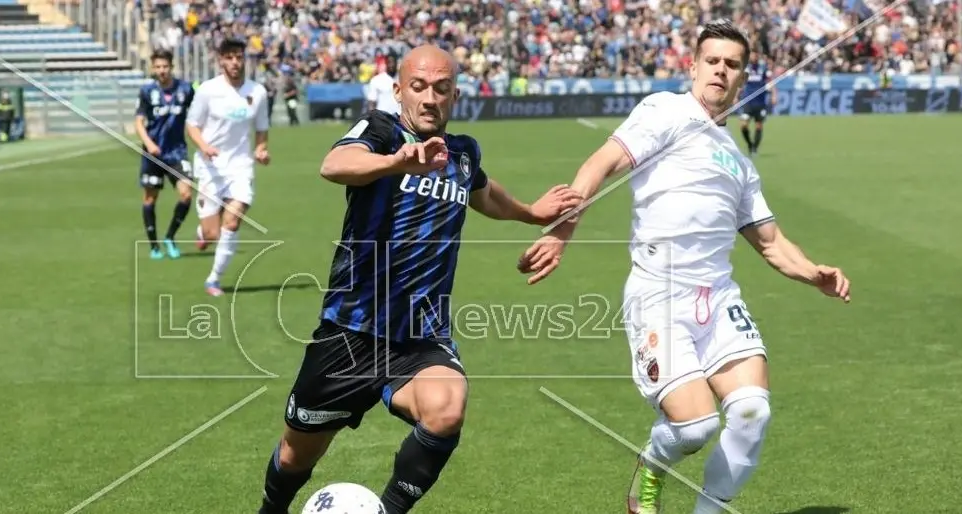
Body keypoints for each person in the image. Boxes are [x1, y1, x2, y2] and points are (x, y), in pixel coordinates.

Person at [516, 21, 851, 514]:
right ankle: (652, 464)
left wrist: (813, 273)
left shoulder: (739, 162)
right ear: (693, 66)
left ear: (742, 78)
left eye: (732, 64)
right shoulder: (665, 110)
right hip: (658, 295)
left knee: (752, 411)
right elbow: (601, 163)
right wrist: (564, 228)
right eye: (712, 60)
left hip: (717, 300)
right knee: (695, 428)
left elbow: (772, 242)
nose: (721, 70)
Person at [258, 45, 582, 514]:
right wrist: (398, 162)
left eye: (442, 89)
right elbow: (335, 165)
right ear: (399, 91)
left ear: (455, 95)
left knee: (447, 406)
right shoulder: (383, 130)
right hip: (351, 332)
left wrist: (533, 215)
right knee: (295, 454)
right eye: (419, 87)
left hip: (420, 335)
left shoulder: (463, 153)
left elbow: (484, 194)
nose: (430, 98)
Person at [186, 38, 270, 297]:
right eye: (229, 57)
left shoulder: (258, 92)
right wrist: (204, 146)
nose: (235, 62)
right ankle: (203, 233)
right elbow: (192, 125)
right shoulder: (208, 91)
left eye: (239, 57)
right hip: (211, 168)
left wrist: (261, 149)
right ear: (221, 60)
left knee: (232, 221)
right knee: (212, 233)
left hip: (240, 168)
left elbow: (261, 128)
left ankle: (214, 279)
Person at [136, 48, 196, 260]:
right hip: (153, 153)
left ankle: (170, 237)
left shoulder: (186, 89)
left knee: (186, 194)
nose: (161, 70)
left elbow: (198, 114)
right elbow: (139, 122)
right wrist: (149, 143)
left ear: (171, 67)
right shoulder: (147, 92)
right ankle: (154, 246)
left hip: (177, 151)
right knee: (150, 198)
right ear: (153, 68)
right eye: (158, 67)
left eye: (165, 66)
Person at [739, 51, 776, 157]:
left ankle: (754, 148)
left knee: (759, 126)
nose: (753, 56)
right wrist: (736, 95)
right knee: (743, 125)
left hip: (760, 102)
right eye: (752, 54)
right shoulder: (746, 68)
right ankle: (750, 144)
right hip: (748, 101)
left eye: (755, 54)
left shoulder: (763, 67)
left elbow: (770, 81)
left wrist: (774, 95)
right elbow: (741, 83)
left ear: (758, 56)